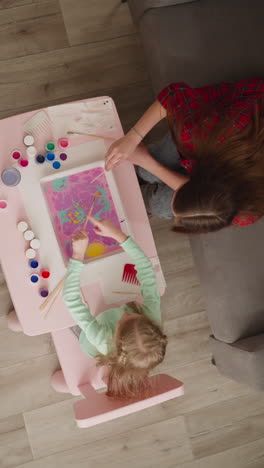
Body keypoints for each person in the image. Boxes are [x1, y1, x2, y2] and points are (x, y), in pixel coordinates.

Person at [105, 78, 264, 233]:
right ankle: (136, 174)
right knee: (153, 164)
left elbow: (207, 203)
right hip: (221, 130)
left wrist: (148, 162)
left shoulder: (248, 210)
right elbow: (172, 94)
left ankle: (132, 193)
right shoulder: (203, 132)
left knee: (159, 204)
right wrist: (132, 138)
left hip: (226, 165)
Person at [63, 216, 167, 399]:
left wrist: (78, 256)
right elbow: (146, 269)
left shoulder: (103, 339)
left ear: (116, 338)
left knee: (66, 322)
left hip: (90, 340)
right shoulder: (153, 320)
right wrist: (119, 236)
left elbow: (70, 299)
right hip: (113, 344)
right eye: (135, 316)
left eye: (124, 320)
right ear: (152, 325)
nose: (126, 312)